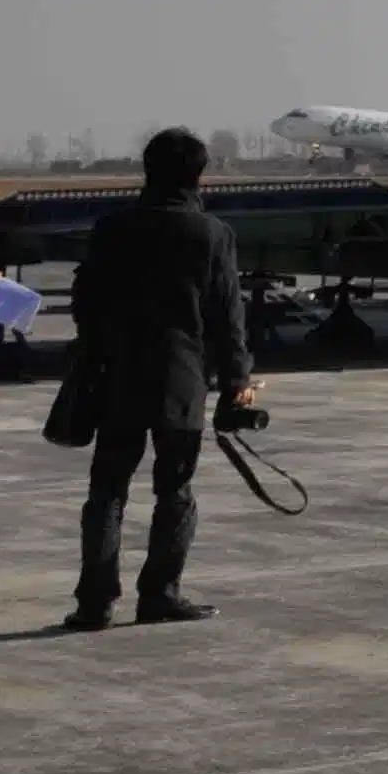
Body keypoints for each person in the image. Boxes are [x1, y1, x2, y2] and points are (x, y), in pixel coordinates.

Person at [65, 129, 259, 625]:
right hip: (181, 380)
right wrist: (238, 375)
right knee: (174, 491)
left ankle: (94, 602)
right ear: (199, 175)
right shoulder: (211, 234)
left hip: (118, 377)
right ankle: (160, 593)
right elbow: (226, 315)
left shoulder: (112, 228)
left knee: (107, 492)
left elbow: (85, 302)